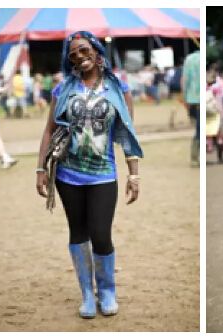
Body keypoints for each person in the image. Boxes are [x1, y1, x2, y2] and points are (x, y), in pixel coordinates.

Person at [35, 31, 143, 319]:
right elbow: (48, 131)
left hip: (103, 174)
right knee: (78, 232)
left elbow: (128, 135)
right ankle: (86, 293)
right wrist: (40, 168)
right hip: (67, 174)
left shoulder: (118, 88)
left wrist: (134, 175)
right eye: (73, 54)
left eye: (84, 50)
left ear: (96, 52)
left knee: (100, 233)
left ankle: (106, 291)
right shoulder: (62, 90)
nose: (79, 57)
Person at [183, 50, 201, 167]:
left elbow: (185, 80)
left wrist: (185, 98)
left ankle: (195, 157)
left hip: (192, 99)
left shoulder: (190, 59)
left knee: (198, 129)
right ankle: (195, 158)